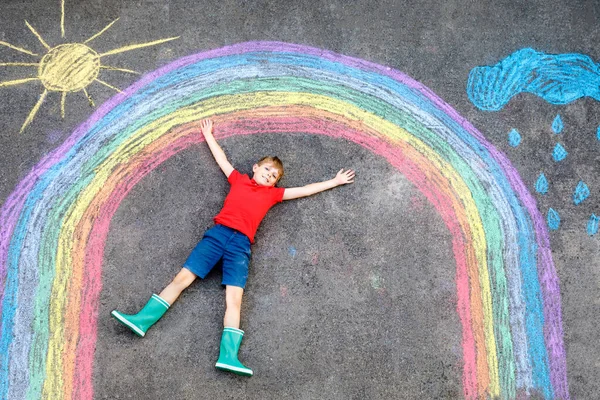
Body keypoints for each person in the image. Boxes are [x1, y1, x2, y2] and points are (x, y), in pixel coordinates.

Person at [111, 119, 355, 377]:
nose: (269, 176)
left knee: (235, 299)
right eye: (267, 170)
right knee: (181, 278)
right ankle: (141, 320)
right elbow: (222, 160)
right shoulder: (238, 180)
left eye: (274, 176)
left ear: (275, 183)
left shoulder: (273, 194)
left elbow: (305, 190)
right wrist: (208, 135)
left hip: (240, 246)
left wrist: (334, 181)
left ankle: (229, 356)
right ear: (255, 168)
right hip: (218, 236)